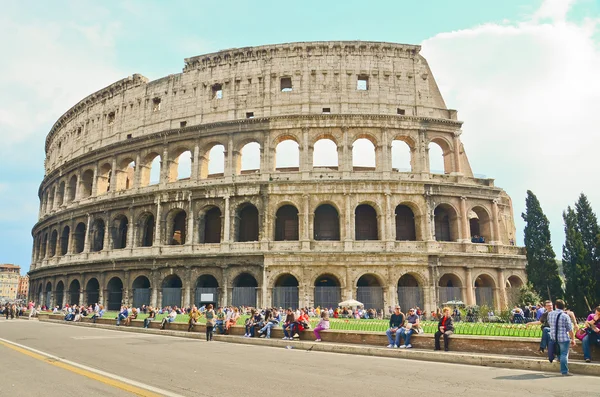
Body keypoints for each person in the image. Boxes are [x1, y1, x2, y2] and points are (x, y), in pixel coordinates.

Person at [547, 299, 576, 376]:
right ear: (564, 307)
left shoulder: (550, 314)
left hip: (554, 337)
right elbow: (570, 329)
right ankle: (564, 371)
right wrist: (573, 339)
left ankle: (559, 359)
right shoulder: (565, 316)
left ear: (555, 306)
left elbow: (550, 323)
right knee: (564, 354)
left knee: (558, 351)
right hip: (563, 338)